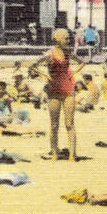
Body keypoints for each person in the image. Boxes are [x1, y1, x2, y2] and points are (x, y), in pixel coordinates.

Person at [29, 28, 82, 160]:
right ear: (57, 39)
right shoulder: (49, 54)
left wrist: (73, 73)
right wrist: (44, 76)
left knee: (69, 123)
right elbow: (32, 66)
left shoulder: (68, 53)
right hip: (54, 92)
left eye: (69, 38)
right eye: (66, 38)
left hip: (69, 90)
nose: (69, 40)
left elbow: (82, 62)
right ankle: (54, 153)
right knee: (54, 125)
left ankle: (72, 154)